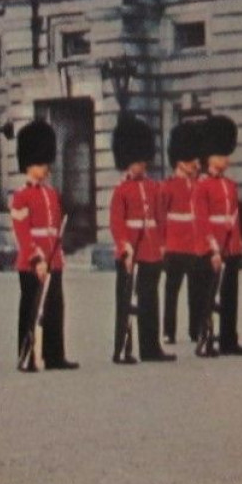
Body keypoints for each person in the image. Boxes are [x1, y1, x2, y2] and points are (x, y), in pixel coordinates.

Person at [10, 120, 77, 371]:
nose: (46, 168)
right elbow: (23, 233)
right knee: (31, 308)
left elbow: (54, 227)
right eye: (41, 164)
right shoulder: (21, 196)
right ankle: (26, 354)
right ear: (29, 165)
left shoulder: (51, 194)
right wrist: (35, 259)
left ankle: (54, 355)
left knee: (55, 308)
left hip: (53, 259)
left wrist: (56, 256)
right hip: (32, 263)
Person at [108, 114, 172, 363]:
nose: (141, 165)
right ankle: (121, 348)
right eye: (136, 161)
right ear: (126, 161)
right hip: (130, 250)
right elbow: (116, 223)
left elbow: (160, 217)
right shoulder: (121, 190)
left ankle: (150, 347)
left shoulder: (153, 187)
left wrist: (162, 244)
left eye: (143, 160)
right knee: (126, 303)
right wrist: (124, 247)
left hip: (150, 250)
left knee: (150, 301)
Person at [194, 115, 242, 356]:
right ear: (210, 157)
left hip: (231, 246)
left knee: (230, 295)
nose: (226, 159)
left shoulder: (230, 185)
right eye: (221, 154)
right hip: (213, 246)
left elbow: (234, 218)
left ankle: (229, 339)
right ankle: (205, 338)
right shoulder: (202, 186)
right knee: (208, 296)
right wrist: (213, 249)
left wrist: (237, 246)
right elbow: (202, 220)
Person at [159, 121, 207, 347]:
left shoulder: (199, 184)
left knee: (195, 291)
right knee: (171, 291)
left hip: (194, 245)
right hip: (174, 245)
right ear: (180, 161)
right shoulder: (168, 187)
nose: (196, 164)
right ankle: (168, 331)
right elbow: (161, 216)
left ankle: (195, 329)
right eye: (191, 161)